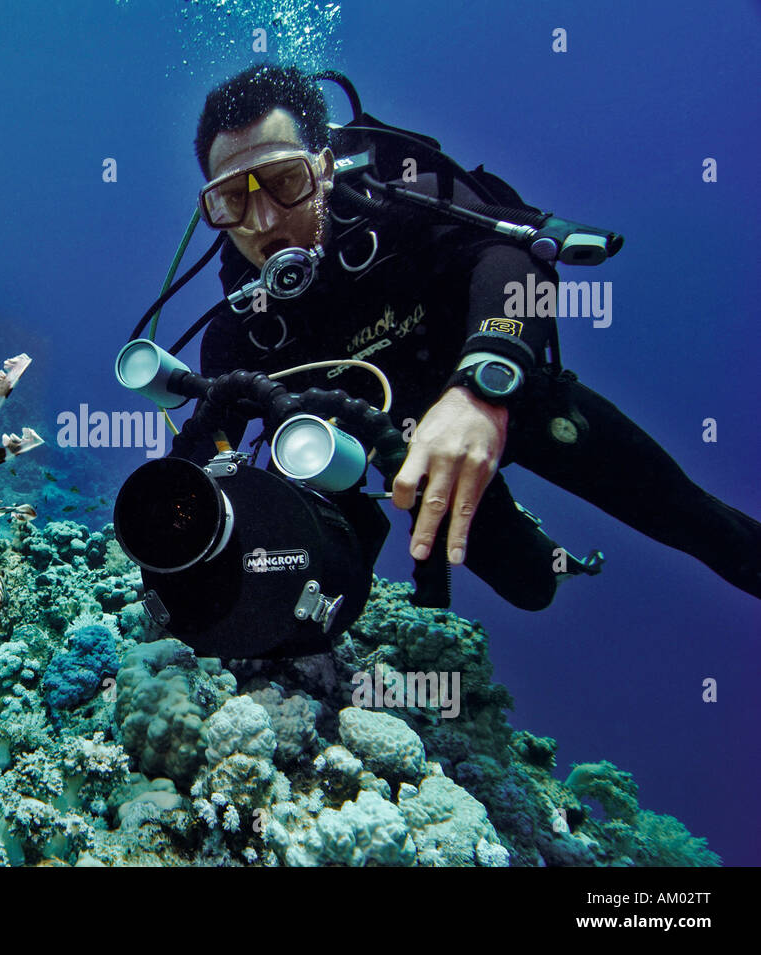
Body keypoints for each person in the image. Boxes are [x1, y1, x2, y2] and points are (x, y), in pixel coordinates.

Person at [169, 64, 761, 608]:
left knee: (697, 522)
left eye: (284, 181)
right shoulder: (243, 326)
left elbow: (509, 256)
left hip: (512, 399)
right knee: (529, 585)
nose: (264, 219)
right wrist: (172, 524)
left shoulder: (397, 203)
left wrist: (482, 386)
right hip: (410, 460)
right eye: (231, 199)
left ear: (323, 167)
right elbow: (209, 440)